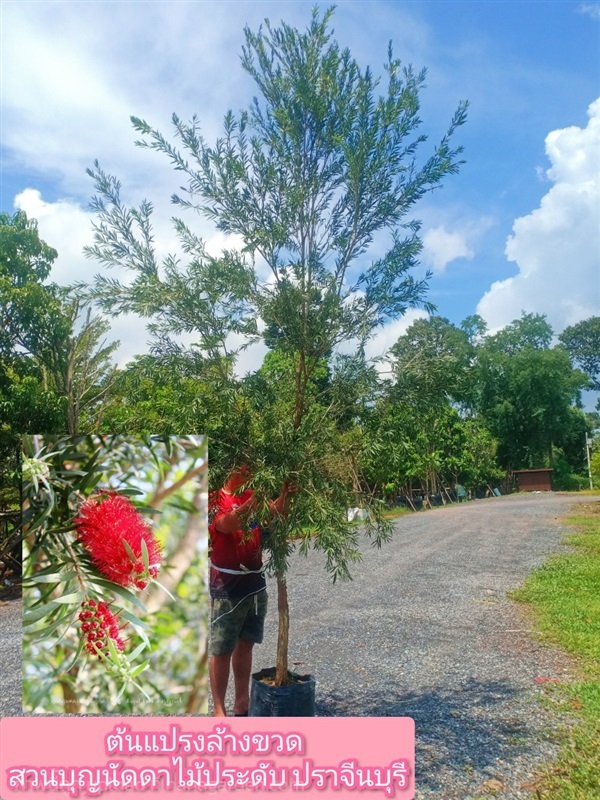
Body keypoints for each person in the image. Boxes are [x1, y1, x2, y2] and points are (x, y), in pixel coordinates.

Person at [208, 464, 296, 716]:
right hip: (227, 586)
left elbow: (276, 513)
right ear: (234, 467)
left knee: (246, 644)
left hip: (254, 584)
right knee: (222, 648)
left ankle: (242, 702)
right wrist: (254, 502)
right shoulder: (215, 498)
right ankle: (218, 709)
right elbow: (227, 524)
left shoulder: (251, 494)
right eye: (247, 464)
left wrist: (285, 494)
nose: (254, 468)